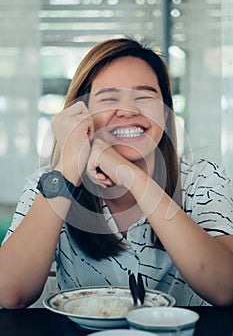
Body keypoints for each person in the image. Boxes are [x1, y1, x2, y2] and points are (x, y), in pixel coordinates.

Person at [0, 37, 232, 309]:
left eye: (145, 96)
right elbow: (9, 293)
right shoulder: (50, 184)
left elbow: (226, 288)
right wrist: (69, 166)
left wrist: (132, 177)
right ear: (81, 113)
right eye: (109, 98)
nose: (127, 111)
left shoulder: (203, 180)